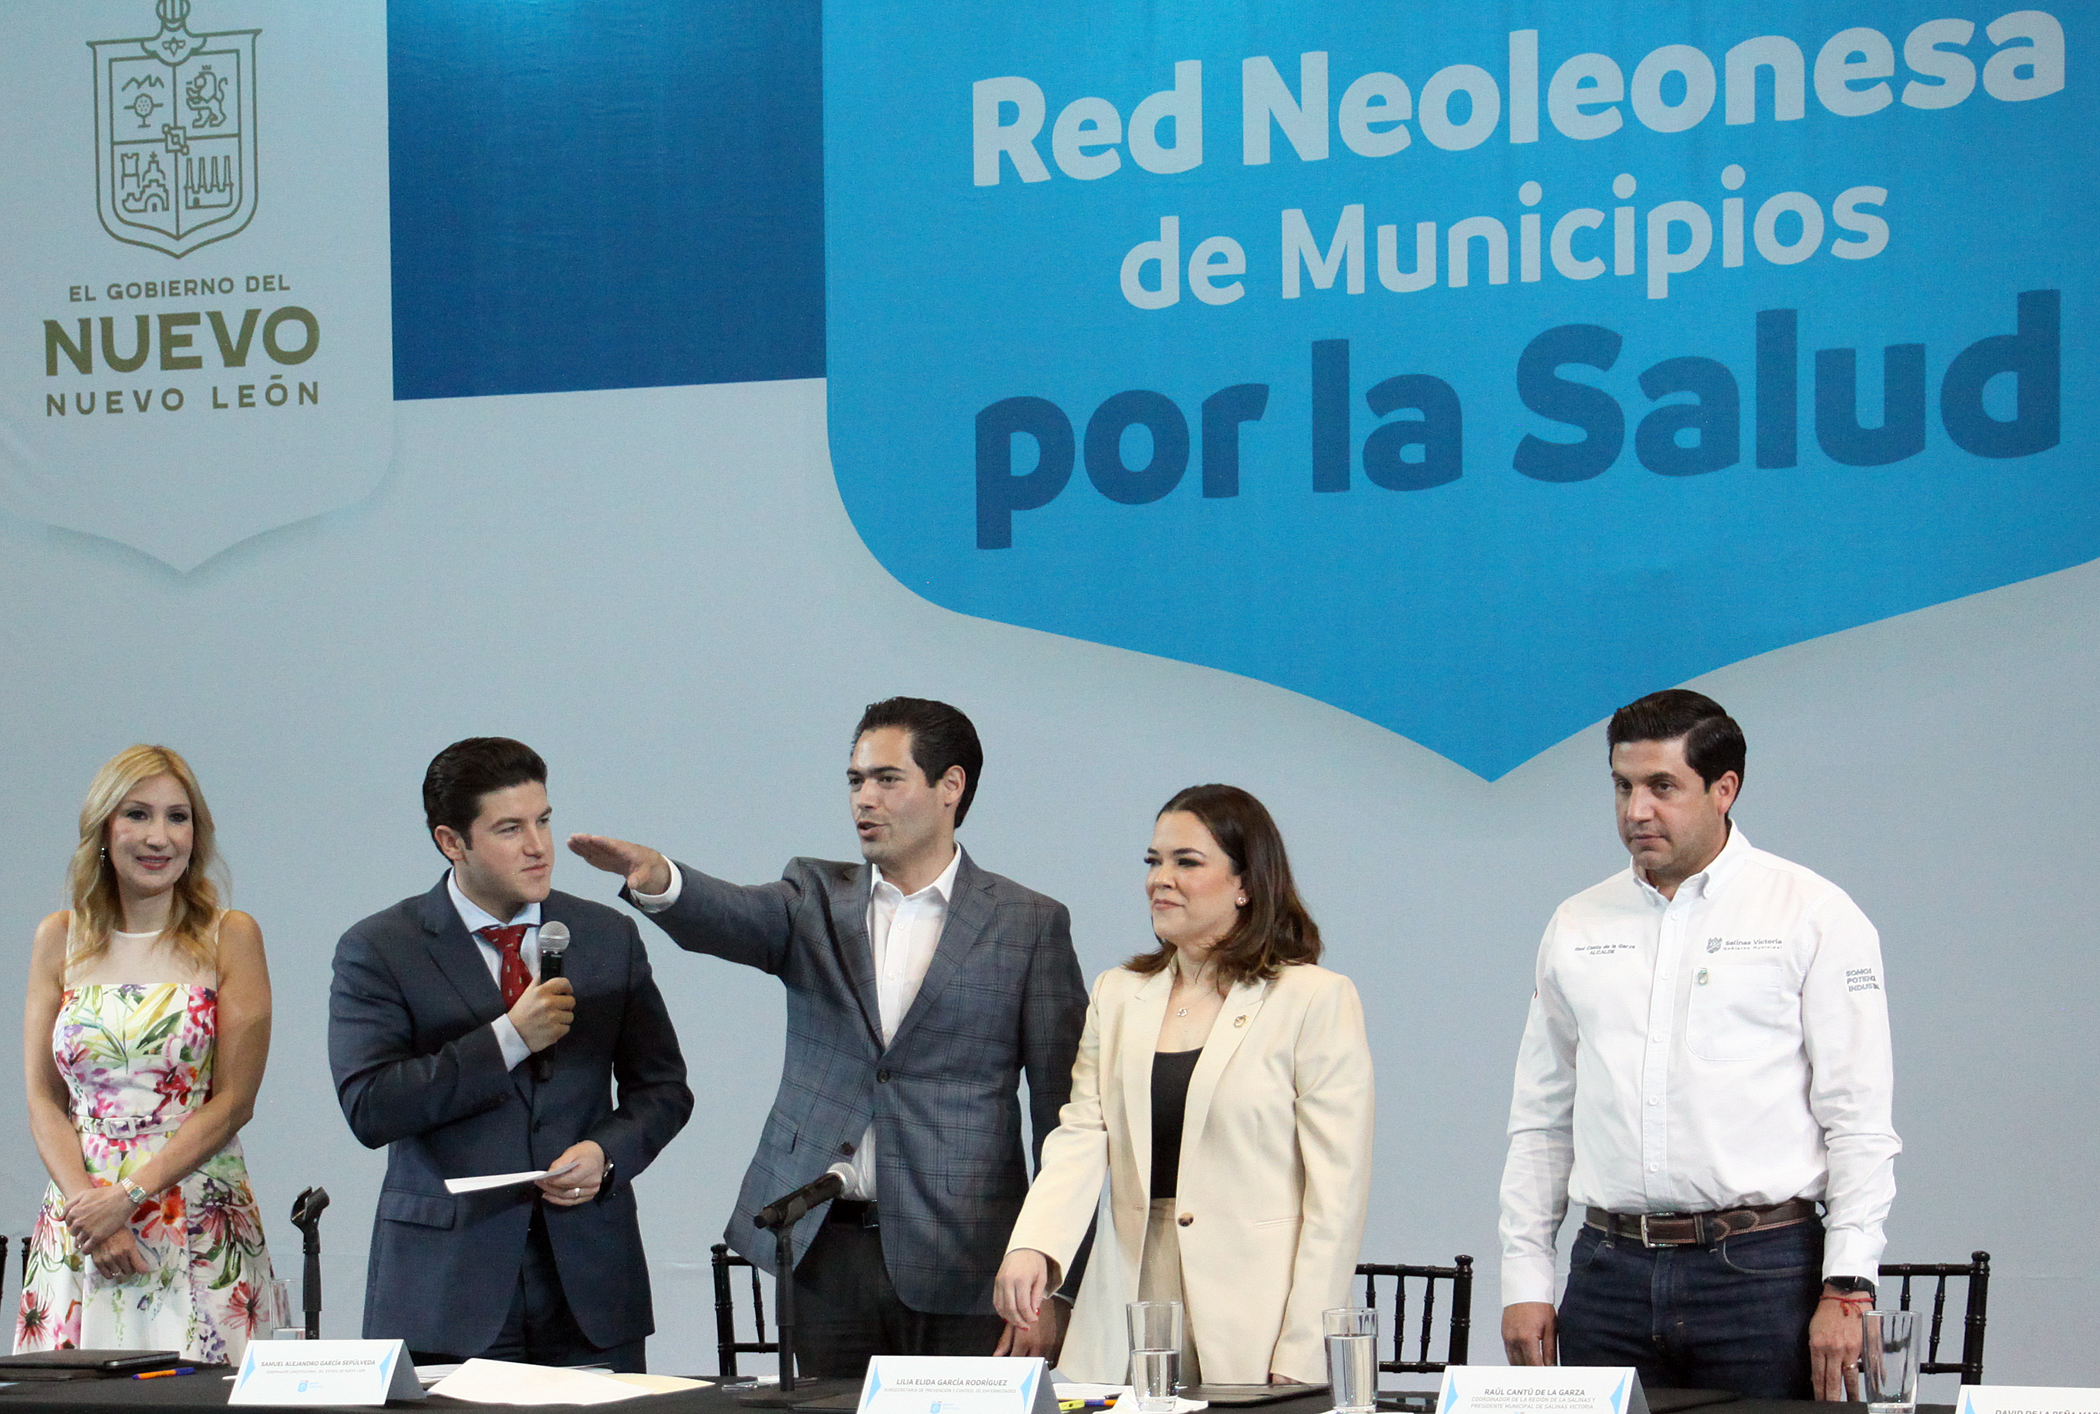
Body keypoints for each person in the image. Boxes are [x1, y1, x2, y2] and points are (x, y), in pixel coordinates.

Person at [568, 697, 1088, 1376]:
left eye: (887, 779)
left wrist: (1057, 1280)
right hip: (823, 1251)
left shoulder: (1029, 924)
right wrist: (663, 882)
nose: (864, 799)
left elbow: (1064, 1120)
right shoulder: (813, 894)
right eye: (855, 780)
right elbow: (733, 916)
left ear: (950, 787)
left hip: (969, 1258)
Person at [1498, 689, 1899, 1399]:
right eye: (1623, 786)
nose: (1636, 811)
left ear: (1724, 789)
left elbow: (1858, 1120)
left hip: (1761, 1273)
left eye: (1662, 787)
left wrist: (1847, 1285)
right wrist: (1525, 1278)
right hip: (1607, 1273)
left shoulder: (1811, 913)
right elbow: (1542, 1117)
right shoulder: (1578, 922)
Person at [328, 738, 692, 1372]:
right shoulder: (380, 947)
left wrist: (607, 1155)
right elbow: (371, 1106)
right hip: (447, 1285)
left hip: (589, 1279)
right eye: (510, 828)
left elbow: (663, 1090)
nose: (538, 846)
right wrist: (509, 1038)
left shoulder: (607, 935)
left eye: (543, 821)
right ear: (452, 842)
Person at [993, 784, 1375, 1386]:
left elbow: (1337, 1197)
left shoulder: (1315, 999)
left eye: (1186, 862)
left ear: (1246, 884)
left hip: (1259, 1319)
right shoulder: (1118, 993)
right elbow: (1082, 1133)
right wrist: (1034, 1243)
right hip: (1130, 1300)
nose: (1160, 879)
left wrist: (1303, 1345)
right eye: (1154, 861)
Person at [16, 745, 282, 1362]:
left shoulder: (231, 935)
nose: (159, 836)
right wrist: (91, 1209)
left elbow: (235, 1101)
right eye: (137, 814)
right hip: (80, 1218)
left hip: (196, 1208)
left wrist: (127, 1198)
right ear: (103, 830)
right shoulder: (58, 936)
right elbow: (43, 1099)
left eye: (177, 817)